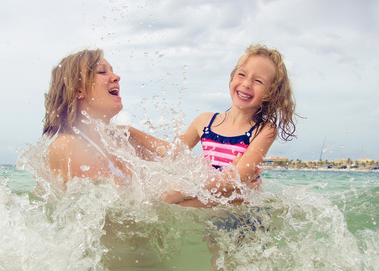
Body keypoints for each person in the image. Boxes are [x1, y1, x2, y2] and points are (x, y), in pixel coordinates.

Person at [41, 48, 261, 202]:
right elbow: (127, 213)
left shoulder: (120, 137)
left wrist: (233, 176)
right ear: (77, 90)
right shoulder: (68, 146)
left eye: (112, 70)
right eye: (102, 71)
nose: (116, 77)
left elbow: (178, 161)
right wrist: (227, 197)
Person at [129, 43, 296, 206]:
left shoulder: (264, 129)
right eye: (242, 74)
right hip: (215, 202)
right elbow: (173, 153)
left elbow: (239, 177)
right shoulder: (205, 122)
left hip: (241, 216)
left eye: (258, 81)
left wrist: (182, 192)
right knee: (171, 205)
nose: (246, 84)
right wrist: (130, 131)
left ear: (270, 93)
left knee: (170, 203)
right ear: (232, 77)